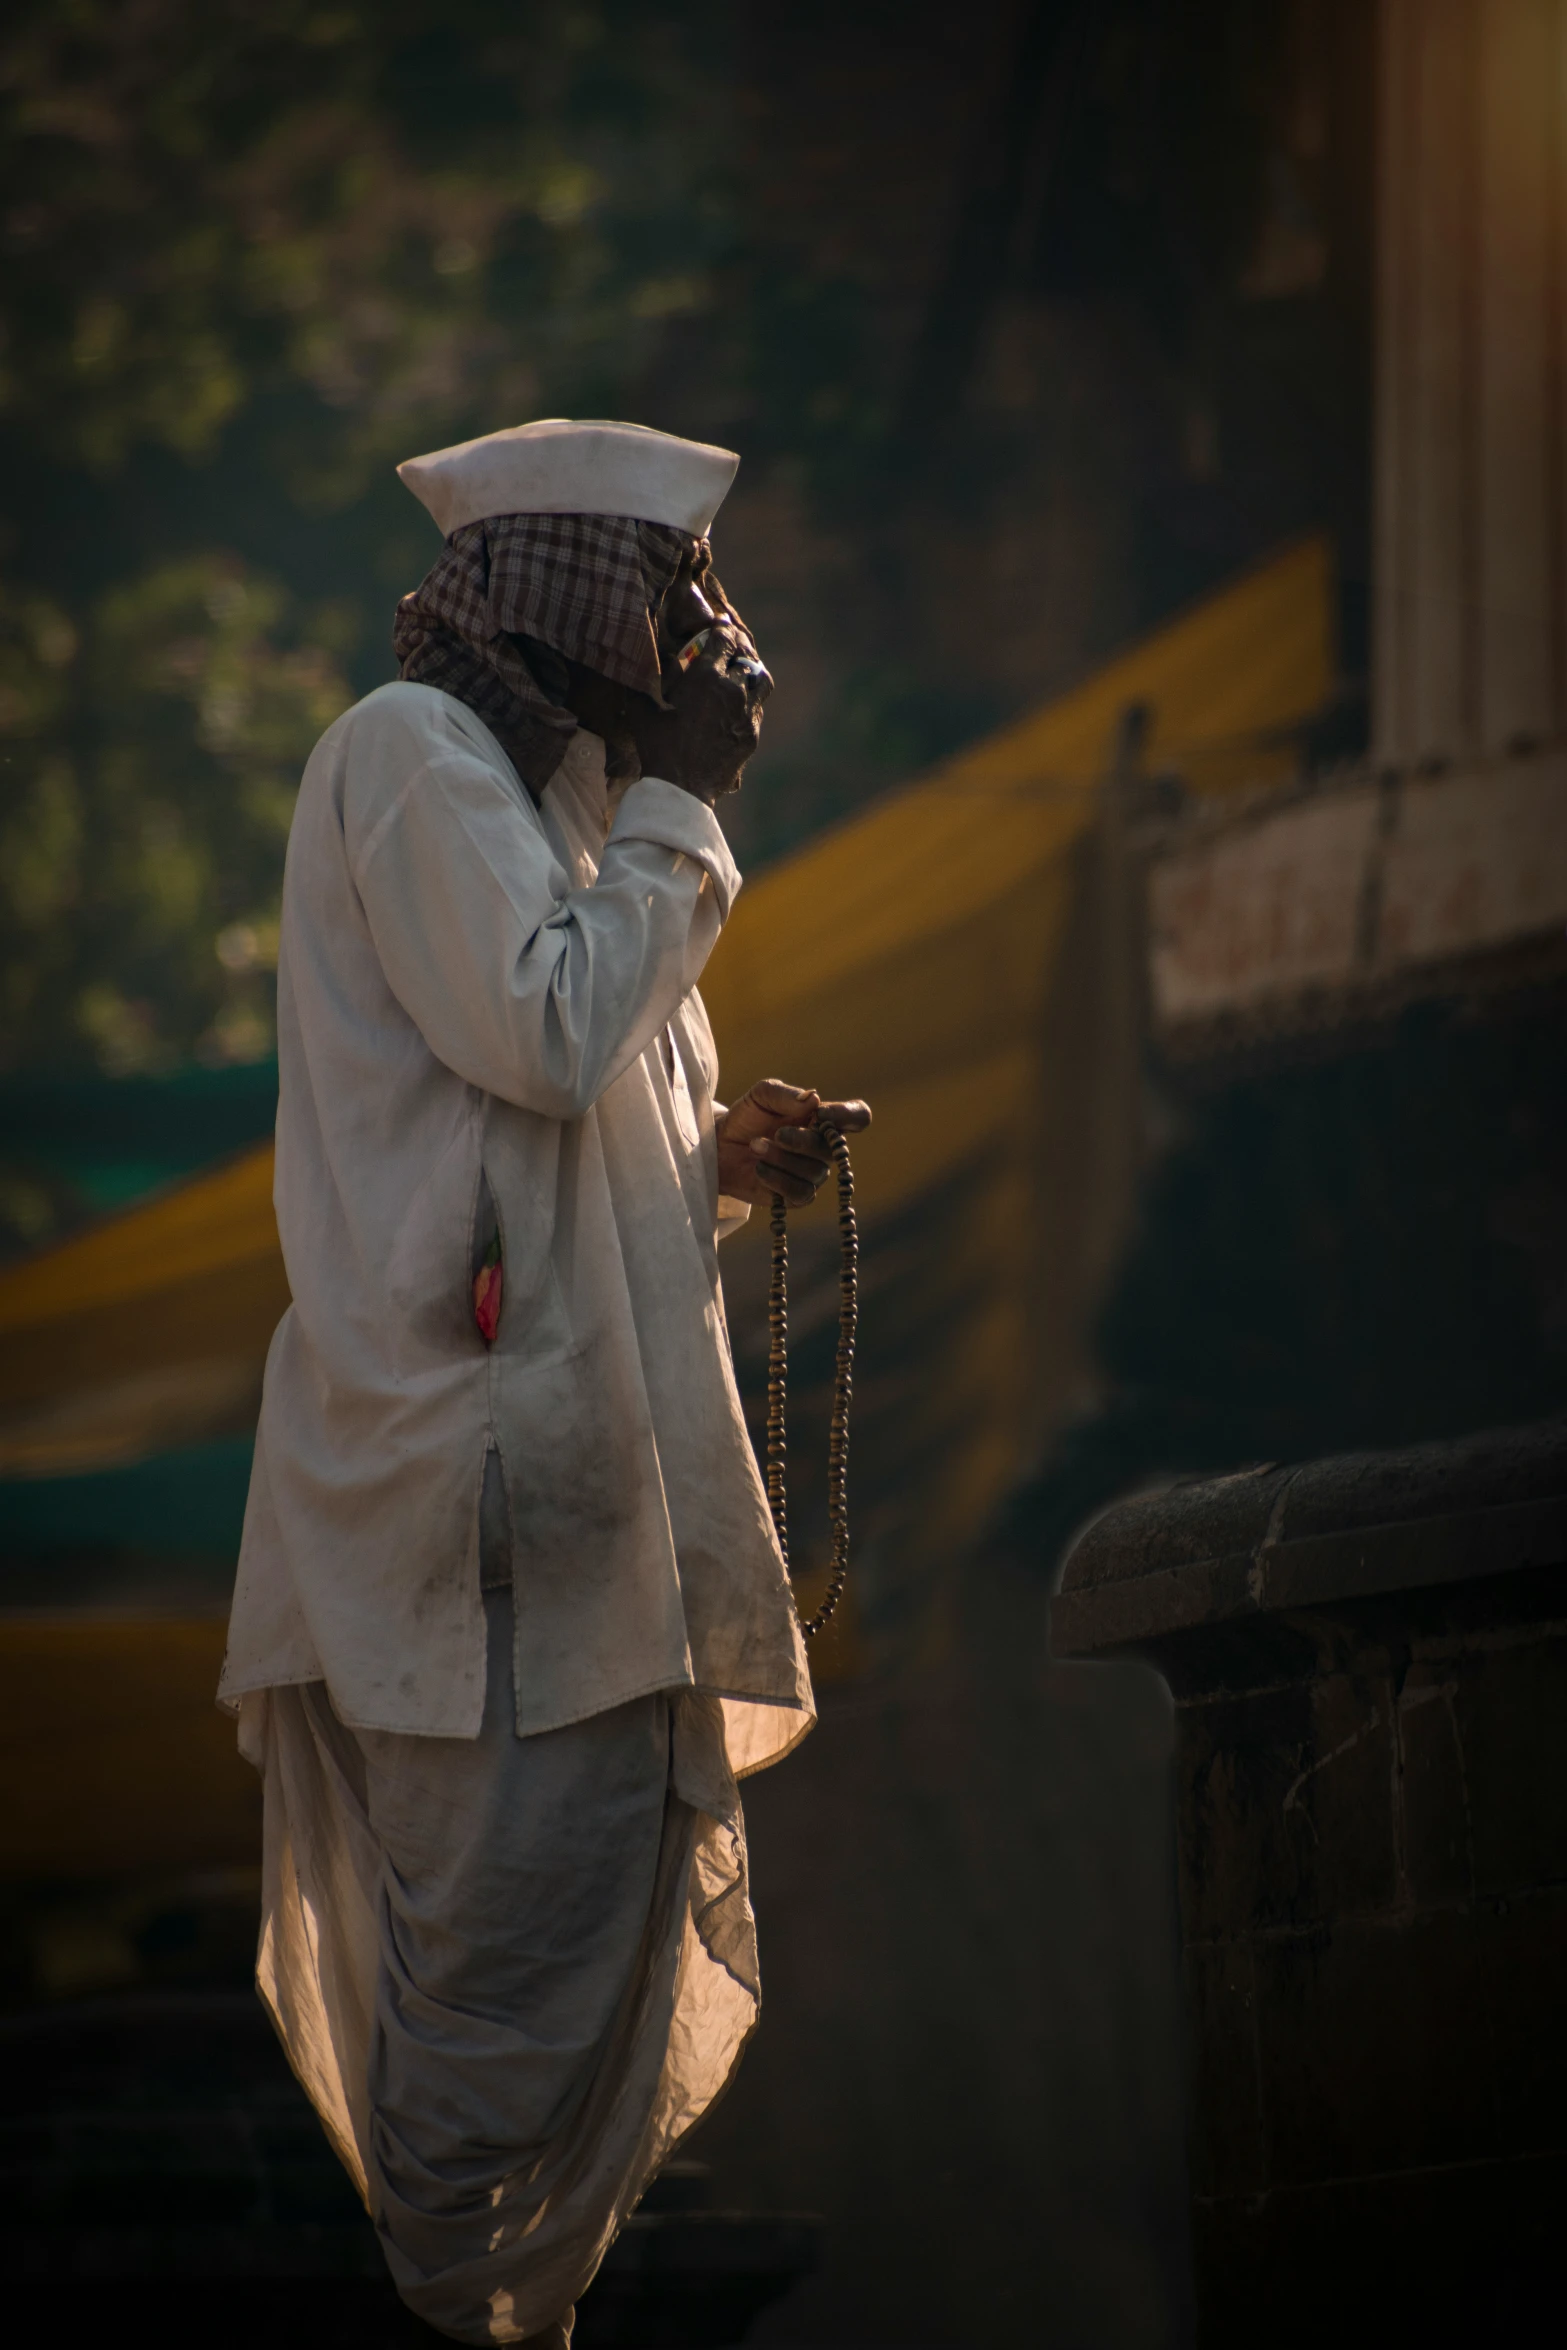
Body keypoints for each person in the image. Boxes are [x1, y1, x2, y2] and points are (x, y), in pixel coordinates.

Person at [217, 419, 870, 2345]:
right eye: (666, 596)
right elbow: (548, 1026)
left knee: (556, 2018)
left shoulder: (577, 821)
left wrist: (719, 1173)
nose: (701, 642)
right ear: (555, 598)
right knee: (486, 2051)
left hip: (572, 1539)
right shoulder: (412, 763)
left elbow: (540, 1161)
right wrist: (686, 802)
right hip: (465, 1542)